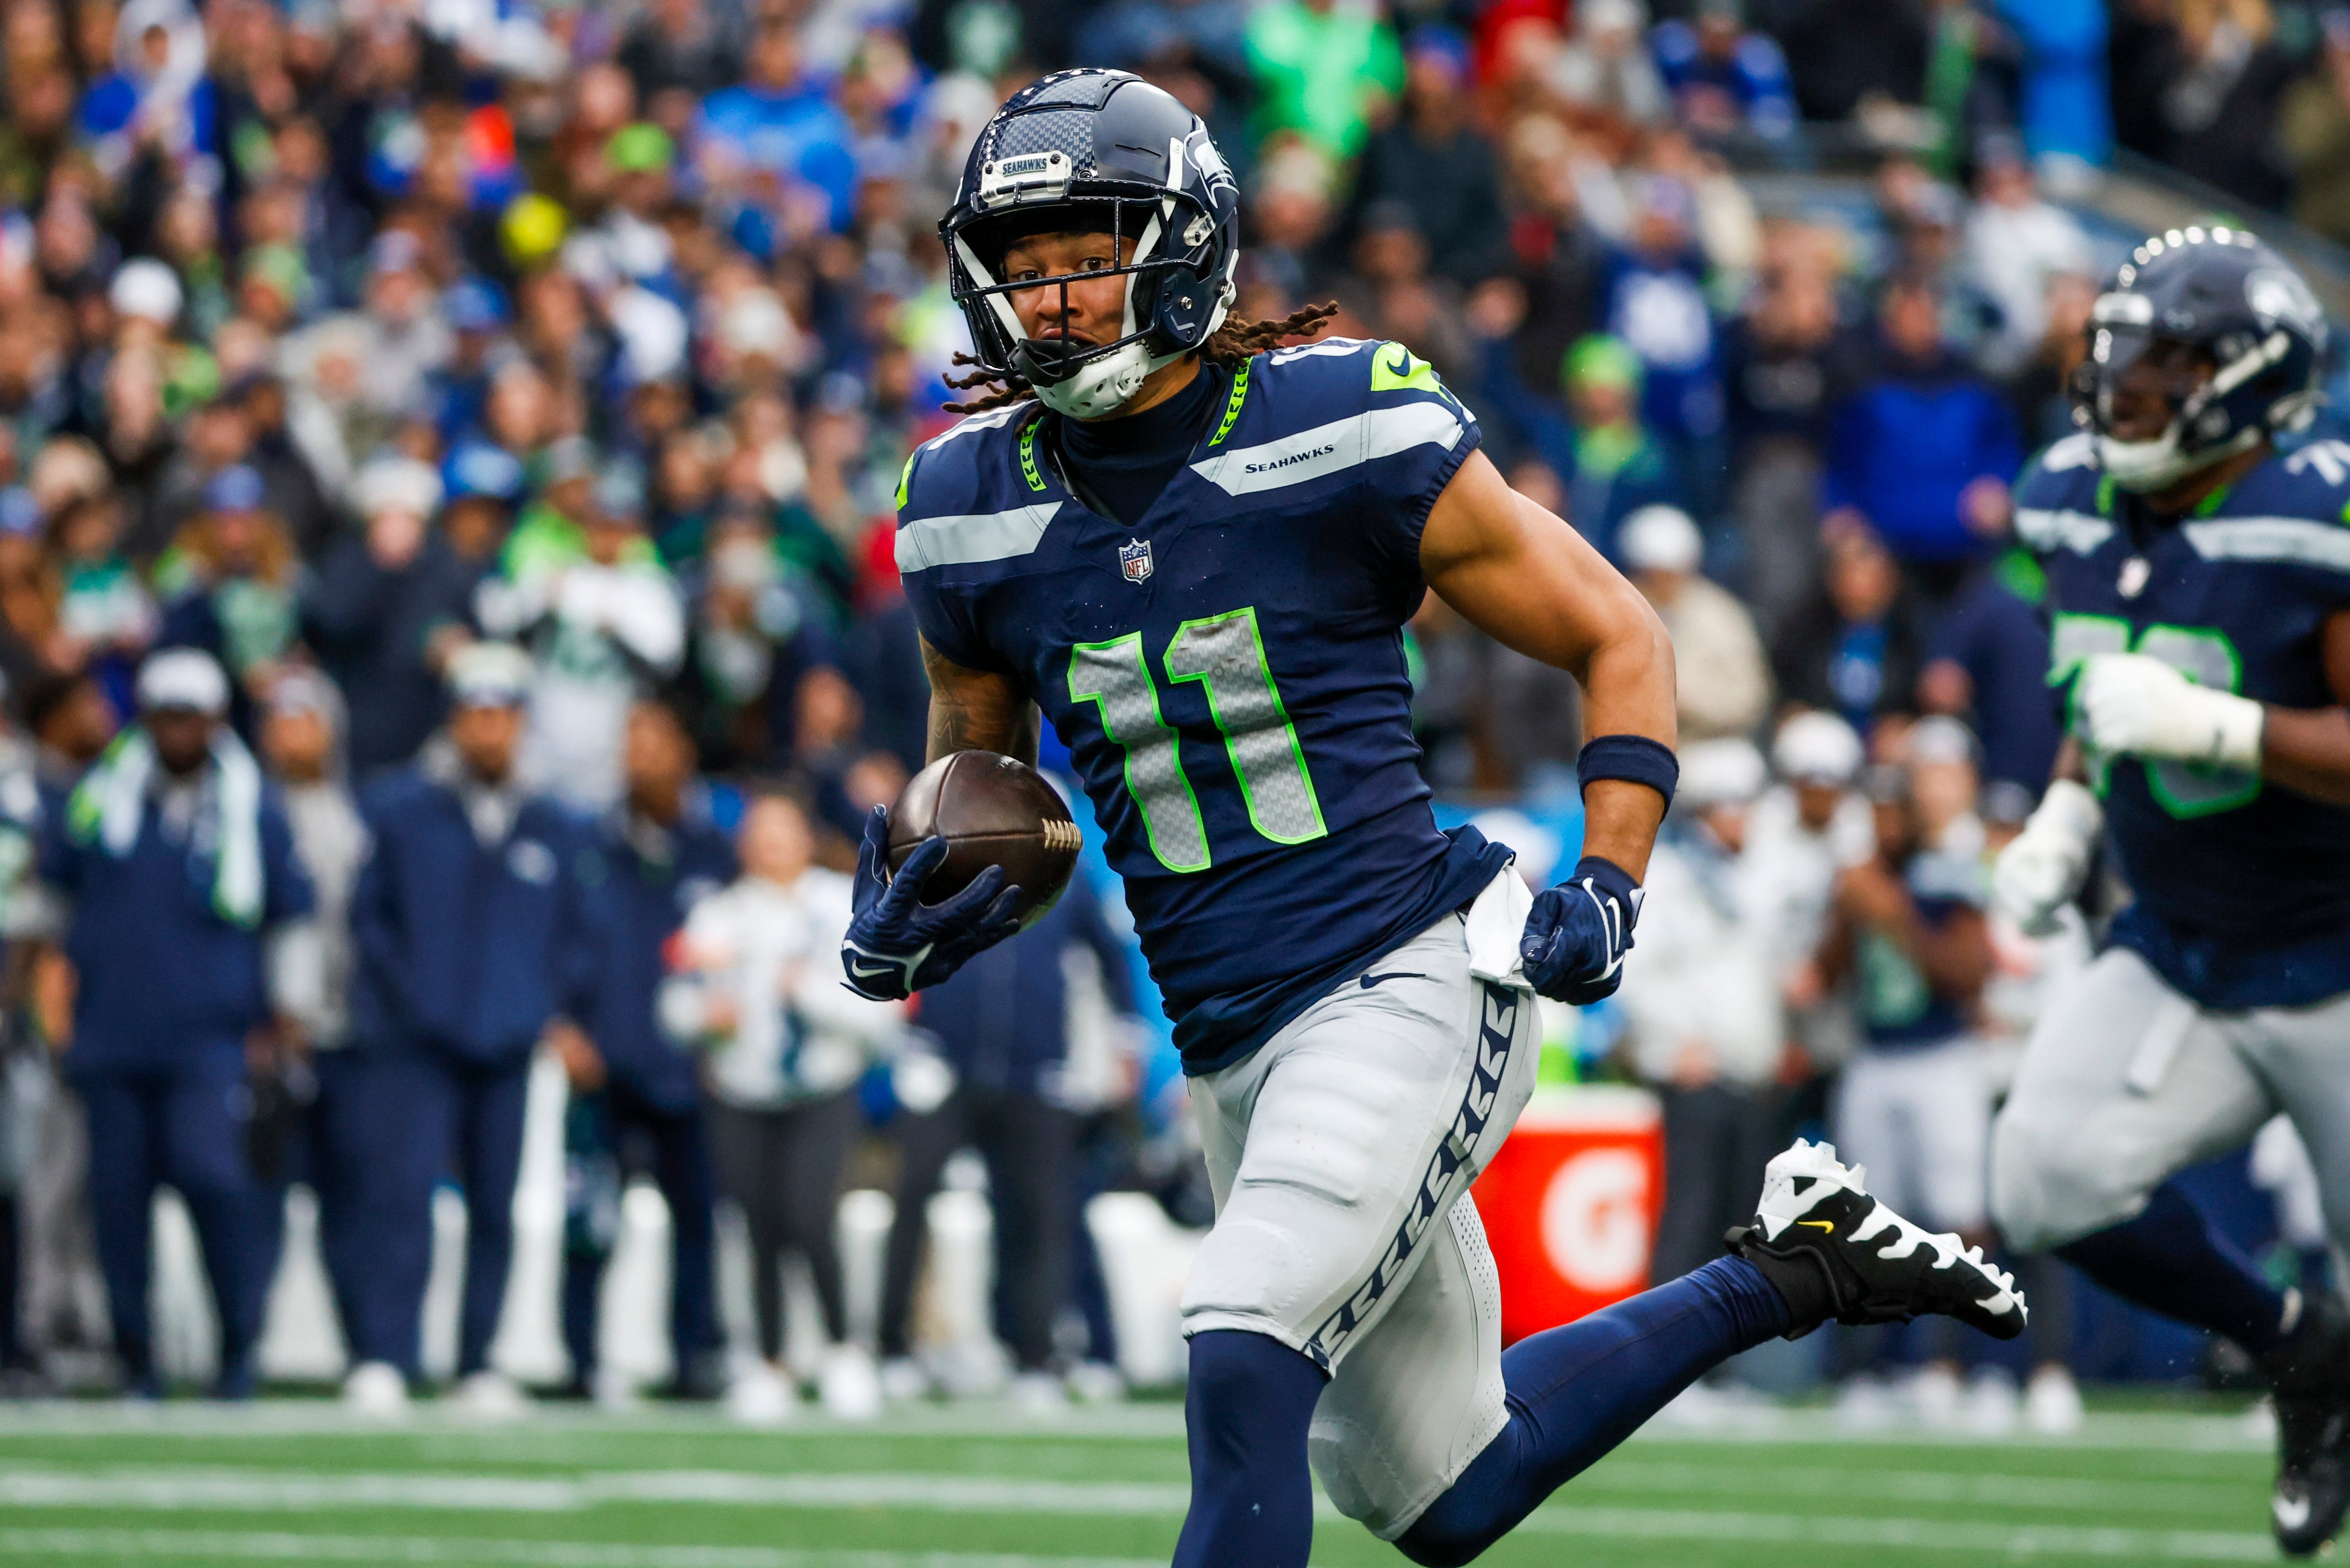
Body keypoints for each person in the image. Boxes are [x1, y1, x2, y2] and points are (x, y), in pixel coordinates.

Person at [852, 72, 2022, 1568]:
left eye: (1086, 253)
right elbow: (983, 787)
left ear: (1184, 248)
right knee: (1441, 1492)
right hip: (1222, 1034)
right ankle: (1794, 1267)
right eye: (1022, 266)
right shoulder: (962, 505)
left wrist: (1610, 876)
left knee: (1239, 1343)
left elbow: (1617, 633)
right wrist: (913, 913)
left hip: (1402, 974)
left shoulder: (1339, 422)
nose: (1052, 296)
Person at [1990, 229, 2350, 1556]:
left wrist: (2222, 728)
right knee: (2044, 1174)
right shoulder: (2067, 500)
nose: (2127, 386)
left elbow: (2174, 700)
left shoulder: (2313, 515)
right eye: (2121, 354)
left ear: (2251, 381)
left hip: (2337, 957)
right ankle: (2301, 1350)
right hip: (2184, 942)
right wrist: (2070, 808)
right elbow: (2100, 683)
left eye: (2168, 362)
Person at [40, 649, 314, 1397]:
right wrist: (55, 1011)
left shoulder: (251, 806)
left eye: (191, 716)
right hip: (112, 1031)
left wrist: (287, 1018)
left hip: (211, 1035)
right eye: (167, 715)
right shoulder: (100, 801)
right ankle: (137, 1358)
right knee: (119, 1203)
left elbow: (291, 918)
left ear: (217, 719)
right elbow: (52, 910)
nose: (179, 730)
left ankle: (237, 1346)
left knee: (213, 1180)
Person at [346, 641, 603, 1415]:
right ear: (454, 720)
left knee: (496, 1205)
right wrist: (412, 998)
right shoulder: (403, 809)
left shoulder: (555, 821)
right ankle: (387, 1353)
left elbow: (579, 931)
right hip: (417, 1042)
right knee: (403, 1200)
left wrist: (541, 1004)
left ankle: (478, 1359)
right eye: (474, 713)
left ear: (520, 721)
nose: (488, 728)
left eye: (501, 713)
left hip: (507, 1042)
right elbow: (371, 919)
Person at [662, 789, 905, 1423]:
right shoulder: (717, 914)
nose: (770, 843)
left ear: (806, 836)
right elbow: (674, 1005)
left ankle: (845, 1348)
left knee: (809, 1213)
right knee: (759, 1224)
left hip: (822, 1086)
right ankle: (769, 1359)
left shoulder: (843, 904)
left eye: (782, 828)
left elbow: (886, 1008)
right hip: (741, 1090)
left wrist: (812, 996)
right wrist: (703, 1015)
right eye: (759, 830)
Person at [875, 867, 1140, 1411]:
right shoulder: (946, 862)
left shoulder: (1064, 876)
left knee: (1039, 1217)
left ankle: (1035, 1357)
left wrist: (1125, 1039)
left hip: (1034, 1073)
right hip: (943, 1066)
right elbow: (891, 937)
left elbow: (1111, 956)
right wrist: (906, 1028)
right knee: (911, 1197)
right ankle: (892, 1350)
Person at [558, 700, 730, 1404]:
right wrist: (562, 1025)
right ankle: (580, 1361)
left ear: (685, 752)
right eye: (631, 744)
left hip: (691, 1070)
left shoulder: (715, 851)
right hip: (602, 1065)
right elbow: (551, 940)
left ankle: (693, 1357)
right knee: (588, 1223)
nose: (640, 758)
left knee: (697, 1224)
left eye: (655, 743)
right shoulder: (588, 846)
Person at [1616, 738, 1781, 1288]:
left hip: (1750, 1077)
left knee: (1739, 1229)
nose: (1748, 818)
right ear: (1711, 810)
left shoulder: (1755, 875)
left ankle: (1727, 1343)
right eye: (1738, 805)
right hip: (1698, 1076)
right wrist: (1676, 1043)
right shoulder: (1668, 878)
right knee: (1691, 1219)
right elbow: (1637, 974)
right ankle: (1669, 1336)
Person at [1616, 504, 1772, 743]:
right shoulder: (1619, 610)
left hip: (1709, 743)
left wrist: (1685, 701)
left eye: (1668, 573)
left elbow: (1749, 700)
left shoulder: (1720, 615)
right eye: (1650, 573)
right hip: (1634, 741)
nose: (1659, 582)